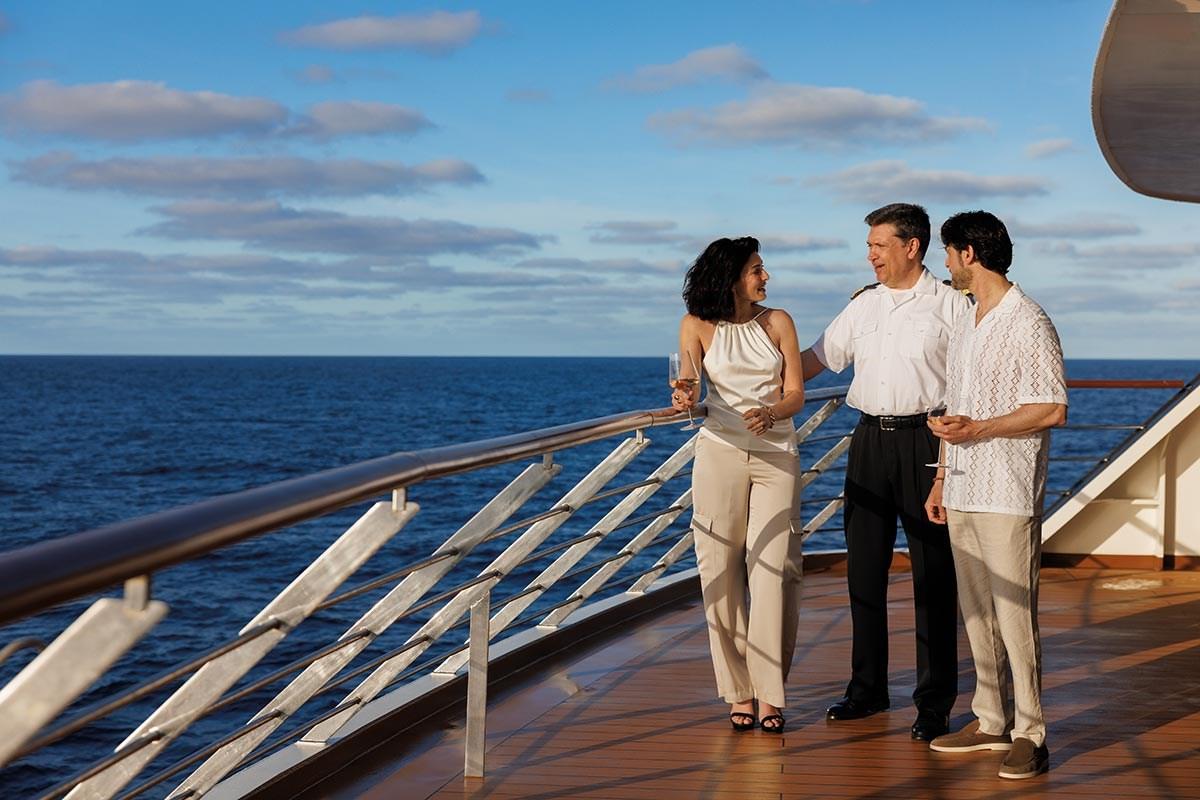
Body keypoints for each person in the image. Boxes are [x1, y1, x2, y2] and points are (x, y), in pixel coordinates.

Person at [800, 203, 968, 741]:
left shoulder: (952, 305)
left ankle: (934, 702)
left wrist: (947, 465)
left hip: (928, 440)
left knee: (933, 577)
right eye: (869, 246)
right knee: (864, 570)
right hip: (869, 440)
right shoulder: (863, 305)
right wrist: (736, 372)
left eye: (879, 245)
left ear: (911, 247)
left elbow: (968, 385)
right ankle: (867, 689)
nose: (870, 255)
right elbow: (813, 361)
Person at [924, 211, 1066, 780]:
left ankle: (1031, 733)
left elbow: (1051, 408)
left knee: (1014, 615)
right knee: (978, 613)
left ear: (968, 254)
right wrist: (941, 476)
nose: (945, 263)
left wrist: (979, 429)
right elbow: (958, 403)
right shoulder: (966, 317)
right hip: (962, 484)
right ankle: (990, 720)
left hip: (1007, 489)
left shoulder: (1029, 320)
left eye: (947, 252)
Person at [671, 236, 806, 734]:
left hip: (776, 454)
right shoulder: (695, 324)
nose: (765, 277)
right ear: (730, 278)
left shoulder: (779, 322)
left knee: (774, 571)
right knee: (719, 568)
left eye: (762, 269)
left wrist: (772, 412)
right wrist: (684, 394)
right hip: (719, 454)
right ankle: (739, 691)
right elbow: (689, 380)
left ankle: (770, 692)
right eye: (756, 270)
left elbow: (796, 394)